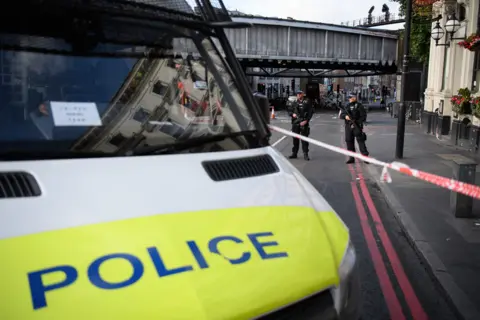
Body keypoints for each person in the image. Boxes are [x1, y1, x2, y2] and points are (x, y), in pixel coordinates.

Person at [339, 93, 369, 164]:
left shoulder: (359, 106)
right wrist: (345, 117)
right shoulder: (347, 106)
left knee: (360, 141)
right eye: (349, 98)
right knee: (349, 141)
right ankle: (351, 157)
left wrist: (357, 122)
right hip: (348, 126)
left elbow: (363, 116)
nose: (349, 99)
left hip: (357, 126)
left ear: (354, 98)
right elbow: (341, 115)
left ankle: (365, 157)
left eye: (351, 97)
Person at [288, 91, 313, 161]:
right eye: (297, 94)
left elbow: (310, 112)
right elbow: (289, 111)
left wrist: (306, 121)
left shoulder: (307, 103)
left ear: (302, 94)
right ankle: (294, 153)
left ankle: (305, 154)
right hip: (295, 123)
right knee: (295, 139)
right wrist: (292, 114)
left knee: (304, 139)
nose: (298, 95)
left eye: (300, 94)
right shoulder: (294, 102)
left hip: (303, 122)